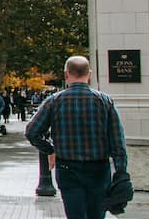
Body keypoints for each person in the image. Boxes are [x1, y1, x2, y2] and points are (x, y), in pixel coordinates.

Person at [27, 56, 128, 219]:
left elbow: (32, 132)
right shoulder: (104, 101)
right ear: (90, 75)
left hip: (67, 168)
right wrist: (121, 172)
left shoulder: (54, 102)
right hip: (98, 169)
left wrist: (50, 149)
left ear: (66, 74)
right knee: (96, 215)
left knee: (75, 214)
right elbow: (118, 141)